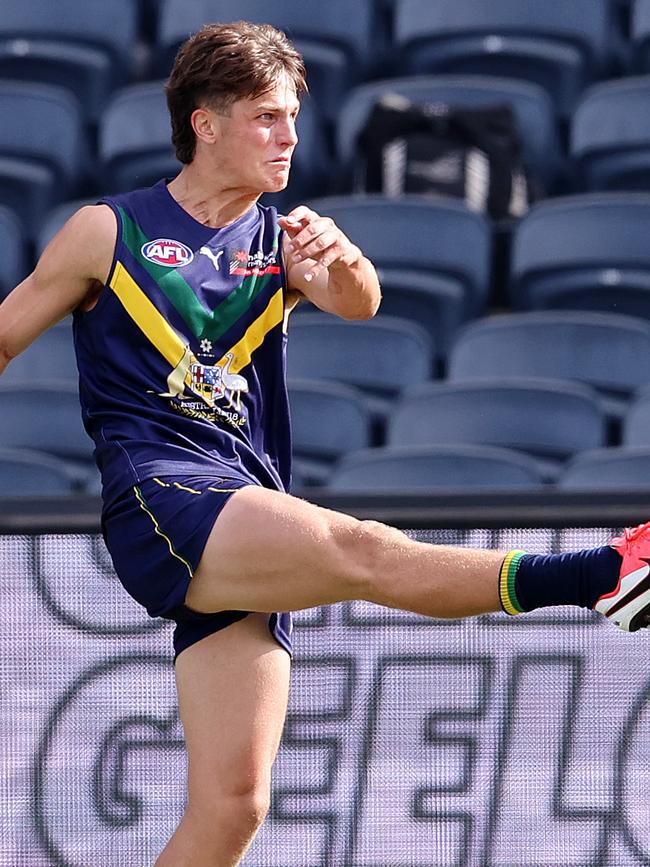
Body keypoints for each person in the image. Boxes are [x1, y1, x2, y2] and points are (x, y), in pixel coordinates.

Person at [0, 20, 648, 867]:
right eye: (268, 117)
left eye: (294, 118)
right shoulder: (106, 231)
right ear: (207, 122)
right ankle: (603, 574)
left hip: (240, 502)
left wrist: (341, 260)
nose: (290, 137)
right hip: (164, 498)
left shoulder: (280, 240)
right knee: (363, 548)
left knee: (234, 806)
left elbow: (360, 302)